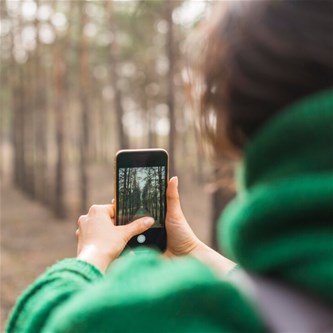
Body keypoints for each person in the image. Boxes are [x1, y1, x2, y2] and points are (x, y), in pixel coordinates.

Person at [6, 0, 333, 332]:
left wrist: (89, 256)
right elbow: (296, 289)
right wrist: (192, 249)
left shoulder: (180, 318)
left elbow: (46, 324)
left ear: (234, 121)